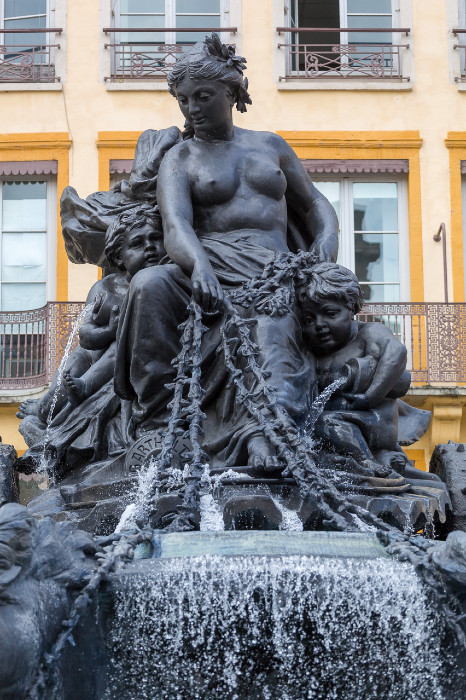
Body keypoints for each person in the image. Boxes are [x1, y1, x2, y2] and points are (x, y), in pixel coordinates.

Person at [114, 34, 339, 470]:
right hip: (206, 261)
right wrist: (197, 266)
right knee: (148, 285)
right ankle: (161, 420)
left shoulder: (271, 145)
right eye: (183, 100)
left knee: (271, 326)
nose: (192, 108)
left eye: (203, 96)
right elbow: (176, 224)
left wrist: (325, 245)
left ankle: (266, 433)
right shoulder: (180, 158)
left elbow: (313, 203)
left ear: (232, 92)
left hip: (274, 267)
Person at [16, 204, 165, 475]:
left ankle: (84, 389)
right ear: (120, 257)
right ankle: (42, 413)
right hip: (92, 351)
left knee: (121, 344)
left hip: (121, 357)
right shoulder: (104, 288)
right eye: (138, 243)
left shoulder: (162, 285)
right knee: (71, 366)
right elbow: (85, 336)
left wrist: (118, 333)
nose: (150, 247)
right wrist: (109, 330)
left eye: (156, 239)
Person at [297, 262, 431, 482]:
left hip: (373, 419)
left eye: (330, 314)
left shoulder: (367, 333)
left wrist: (371, 397)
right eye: (309, 320)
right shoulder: (313, 353)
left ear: (351, 308)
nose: (319, 325)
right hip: (342, 421)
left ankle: (365, 461)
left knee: (326, 423)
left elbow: (395, 353)